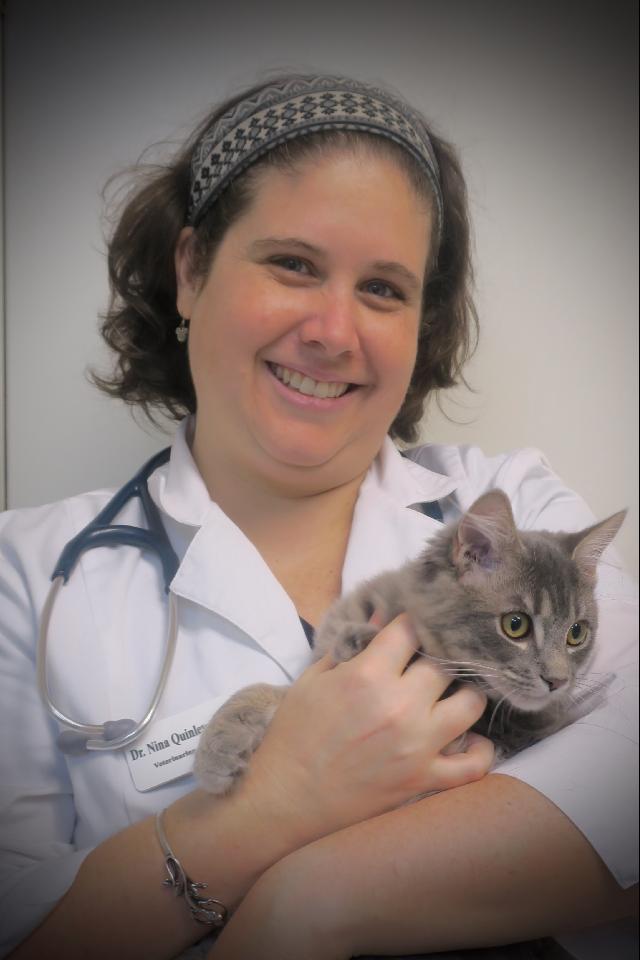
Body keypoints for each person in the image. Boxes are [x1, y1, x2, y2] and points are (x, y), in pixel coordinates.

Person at [0, 74, 636, 960]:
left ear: (422, 324)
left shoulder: (517, 508)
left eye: (384, 289)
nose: (335, 332)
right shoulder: (28, 576)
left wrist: (308, 903)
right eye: (294, 264)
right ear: (190, 271)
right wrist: (274, 806)